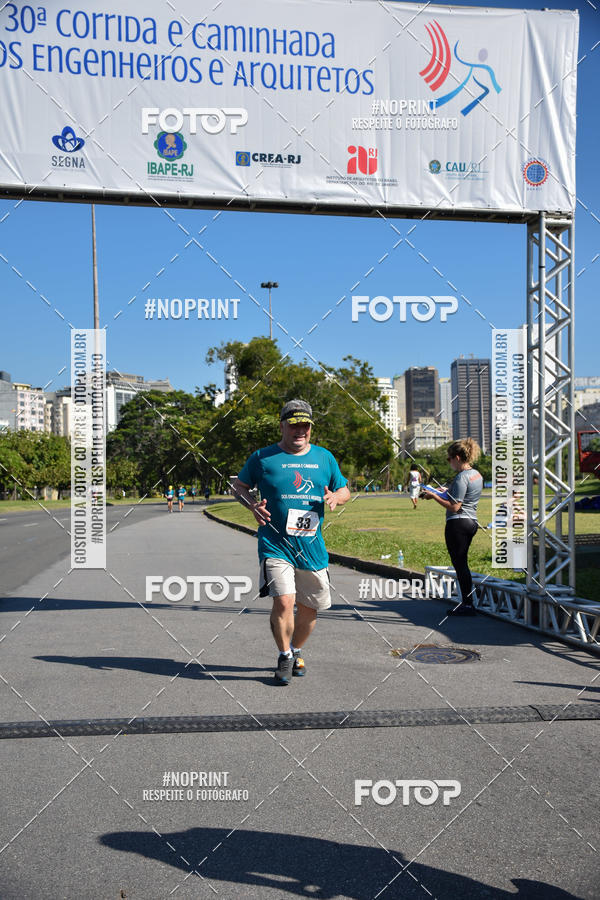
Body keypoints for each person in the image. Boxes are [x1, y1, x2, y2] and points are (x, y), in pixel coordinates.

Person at [232, 399, 351, 685]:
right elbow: (239, 487)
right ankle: (284, 655)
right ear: (282, 425)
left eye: (305, 425)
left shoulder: (325, 458)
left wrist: (336, 497)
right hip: (275, 544)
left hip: (311, 548)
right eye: (294, 424)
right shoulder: (263, 457)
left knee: (310, 610)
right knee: (284, 602)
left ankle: (297, 650)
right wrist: (252, 506)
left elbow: (344, 488)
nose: (300, 430)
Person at [422, 438, 483, 616]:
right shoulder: (476, 474)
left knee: (460, 564)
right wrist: (444, 490)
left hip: (458, 524)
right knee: (462, 563)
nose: (449, 463)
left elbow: (455, 506)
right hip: (472, 522)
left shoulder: (461, 477)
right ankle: (468, 601)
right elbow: (462, 495)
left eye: (449, 459)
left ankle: (467, 603)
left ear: (457, 457)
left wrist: (433, 495)